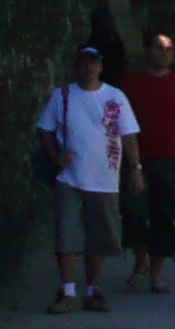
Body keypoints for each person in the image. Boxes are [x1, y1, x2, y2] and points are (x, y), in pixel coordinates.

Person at [32, 46, 137, 313]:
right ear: (77, 66)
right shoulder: (63, 96)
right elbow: (45, 129)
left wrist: (135, 169)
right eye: (85, 63)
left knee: (99, 236)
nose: (90, 69)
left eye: (94, 63)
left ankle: (92, 290)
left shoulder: (116, 97)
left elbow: (128, 136)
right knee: (66, 233)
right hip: (70, 177)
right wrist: (56, 155)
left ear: (100, 67)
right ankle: (68, 292)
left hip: (105, 178)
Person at [117, 31, 175, 295]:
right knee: (133, 212)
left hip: (169, 161)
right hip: (134, 160)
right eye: (158, 48)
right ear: (147, 51)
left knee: (164, 217)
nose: (164, 53)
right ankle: (140, 262)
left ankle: (156, 273)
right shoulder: (129, 84)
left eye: (169, 48)